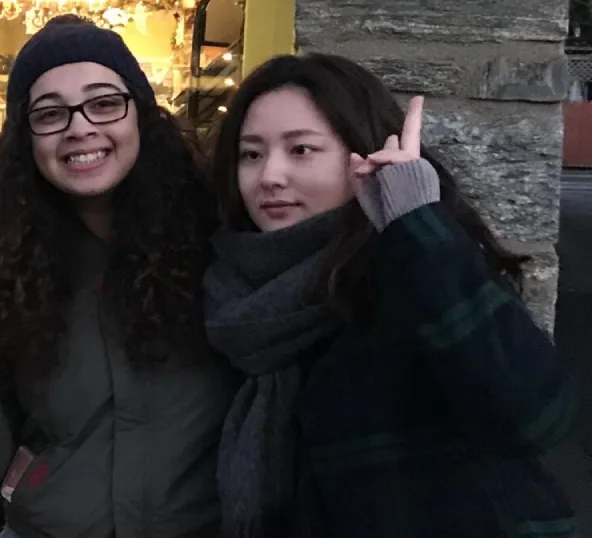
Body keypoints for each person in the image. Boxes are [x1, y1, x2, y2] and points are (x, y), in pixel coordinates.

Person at [206, 53, 579, 537]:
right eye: (251, 154)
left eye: (301, 150)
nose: (270, 176)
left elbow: (537, 415)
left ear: (361, 153)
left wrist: (413, 222)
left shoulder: (413, 272)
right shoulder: (235, 299)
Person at [0, 17, 234, 538]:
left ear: (141, 116)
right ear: (26, 141)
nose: (80, 127)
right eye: (50, 114)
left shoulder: (216, 239)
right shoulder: (10, 270)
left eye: (104, 103)